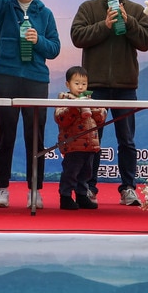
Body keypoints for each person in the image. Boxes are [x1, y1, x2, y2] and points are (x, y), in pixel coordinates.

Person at [70, 0, 148, 206]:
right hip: (93, 87)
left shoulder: (137, 10)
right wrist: (105, 25)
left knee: (126, 140)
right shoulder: (88, 8)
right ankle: (89, 187)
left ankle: (128, 187)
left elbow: (146, 41)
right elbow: (77, 36)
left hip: (125, 86)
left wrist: (128, 22)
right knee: (91, 140)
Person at [0, 0, 61, 209]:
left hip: (36, 81)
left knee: (35, 137)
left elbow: (54, 49)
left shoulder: (46, 14)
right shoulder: (4, 7)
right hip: (5, 78)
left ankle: (34, 191)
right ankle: (2, 189)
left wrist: (38, 40)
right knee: (5, 135)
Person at [54, 67, 104, 210]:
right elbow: (61, 118)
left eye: (84, 83)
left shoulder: (92, 100)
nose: (81, 87)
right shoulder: (64, 100)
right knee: (71, 172)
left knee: (86, 173)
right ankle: (65, 197)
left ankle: (82, 195)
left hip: (90, 145)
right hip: (72, 145)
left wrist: (93, 107)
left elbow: (101, 119)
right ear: (67, 84)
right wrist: (75, 107)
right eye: (77, 83)